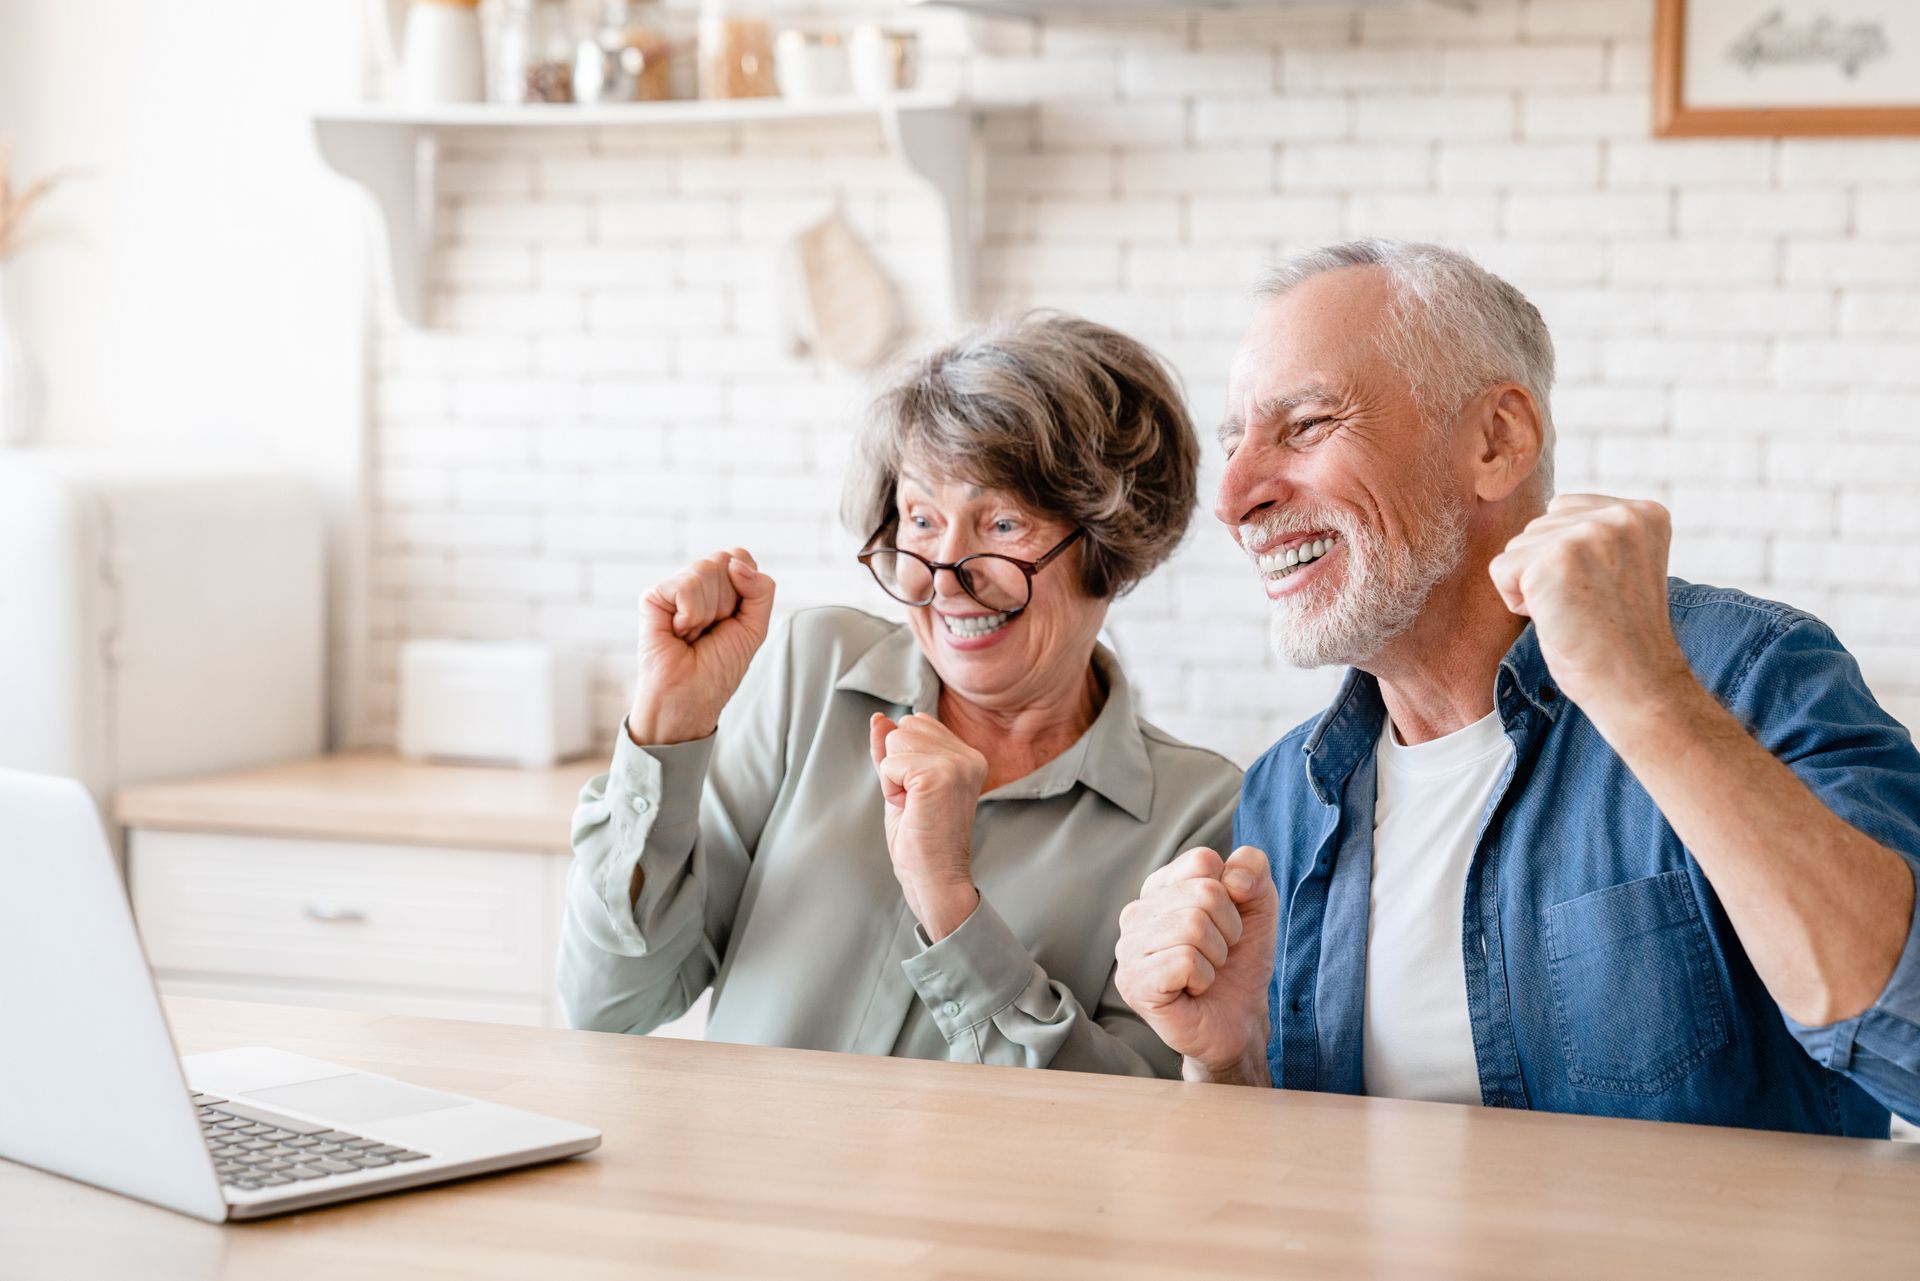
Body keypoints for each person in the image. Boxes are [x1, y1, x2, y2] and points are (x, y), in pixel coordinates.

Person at [1115, 239, 1920, 1134]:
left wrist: (1650, 697)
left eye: (1304, 425)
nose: (1232, 499)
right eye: (1234, 445)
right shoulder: (1286, 790)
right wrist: (1229, 1062)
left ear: (1497, 441)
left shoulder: (1753, 675)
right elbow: (1300, 1178)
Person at [559, 312, 1241, 1077]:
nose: (944, 574)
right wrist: (668, 726)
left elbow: (1130, 1119)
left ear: (1115, 543)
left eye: (1003, 522)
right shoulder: (813, 674)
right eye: (921, 518)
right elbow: (610, 1003)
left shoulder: (1199, 814)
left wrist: (949, 902)